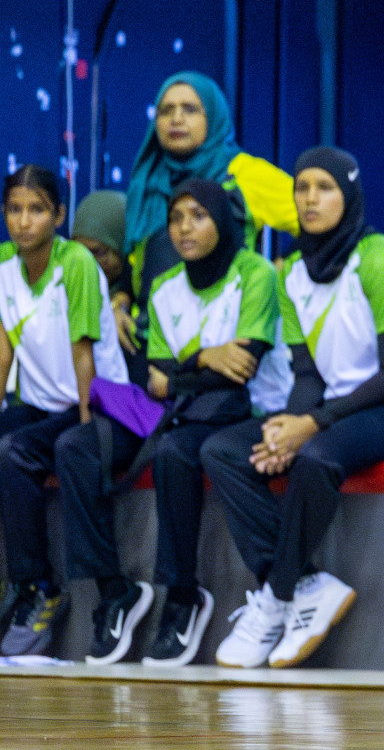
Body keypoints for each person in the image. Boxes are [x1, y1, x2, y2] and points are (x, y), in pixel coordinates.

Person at [202, 147, 384, 670]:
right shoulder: (292, 277)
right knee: (223, 450)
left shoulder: (379, 259)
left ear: (349, 194)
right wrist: (286, 428)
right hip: (335, 409)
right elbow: (307, 377)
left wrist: (309, 428)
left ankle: (276, 597)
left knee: (316, 458)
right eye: (302, 187)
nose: (310, 198)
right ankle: (307, 585)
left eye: (324, 187)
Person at [54, 179, 290, 666]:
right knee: (101, 446)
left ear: (222, 222)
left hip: (251, 411)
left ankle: (182, 596)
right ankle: (144, 593)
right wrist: (205, 357)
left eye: (198, 216)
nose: (185, 228)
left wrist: (184, 372)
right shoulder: (163, 289)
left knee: (177, 450)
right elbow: (157, 382)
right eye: (177, 218)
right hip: (186, 412)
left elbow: (243, 368)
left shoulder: (256, 275)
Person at [0, 165, 129, 655]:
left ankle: (40, 590)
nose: (24, 221)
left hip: (92, 400)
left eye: (36, 209)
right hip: (36, 404)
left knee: (15, 452)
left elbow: (84, 356)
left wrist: (86, 434)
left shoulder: (75, 262)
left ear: (58, 214)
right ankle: (18, 585)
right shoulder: (2, 267)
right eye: (14, 209)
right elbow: (3, 353)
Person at [125, 71, 298, 311]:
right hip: (149, 334)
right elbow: (136, 262)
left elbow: (322, 221)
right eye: (166, 110)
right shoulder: (148, 180)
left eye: (190, 109)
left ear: (214, 116)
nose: (176, 118)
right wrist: (119, 300)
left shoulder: (244, 173)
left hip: (225, 333)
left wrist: (283, 274)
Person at [71, 190, 139, 370]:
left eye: (98, 252)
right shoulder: (62, 290)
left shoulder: (147, 297)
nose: (88, 263)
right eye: (80, 252)